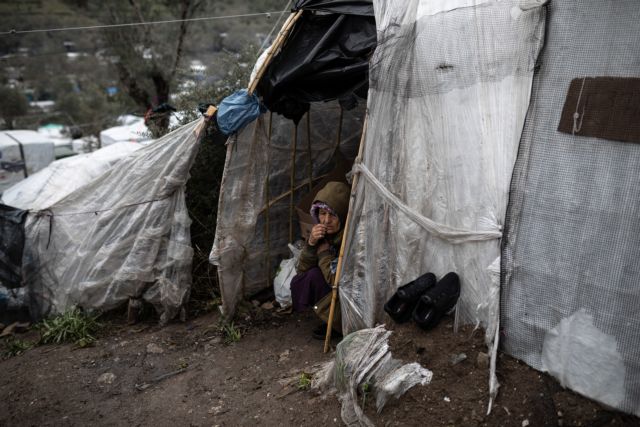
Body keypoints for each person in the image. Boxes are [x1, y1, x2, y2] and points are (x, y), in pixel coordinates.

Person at [290, 181, 350, 314]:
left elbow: (336, 281)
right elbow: (302, 269)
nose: (326, 220)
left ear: (343, 216)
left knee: (313, 277)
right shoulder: (324, 236)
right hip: (334, 294)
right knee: (301, 280)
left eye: (333, 215)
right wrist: (311, 244)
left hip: (348, 303)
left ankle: (337, 323)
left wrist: (323, 254)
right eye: (322, 213)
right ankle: (328, 318)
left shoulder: (349, 239)